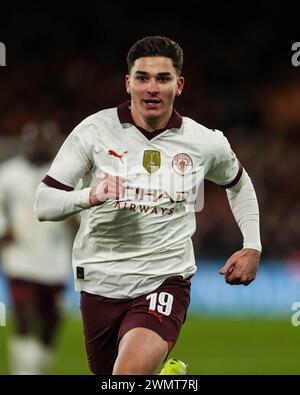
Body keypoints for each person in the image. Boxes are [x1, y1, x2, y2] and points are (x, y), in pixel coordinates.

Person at [34, 36, 262, 375]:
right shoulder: (94, 133)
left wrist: (252, 246)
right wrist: (90, 195)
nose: (152, 88)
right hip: (99, 283)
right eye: (142, 77)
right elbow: (43, 203)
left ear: (179, 84)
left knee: (127, 376)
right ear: (128, 83)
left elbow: (238, 183)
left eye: (163, 78)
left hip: (164, 279)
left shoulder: (203, 142)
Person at [0, 121, 74, 374]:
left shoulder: (67, 177)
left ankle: (38, 363)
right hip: (19, 256)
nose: (40, 146)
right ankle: (23, 369)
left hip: (55, 260)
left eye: (45, 142)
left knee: (51, 319)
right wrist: (3, 230)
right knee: (22, 310)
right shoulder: (9, 173)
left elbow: (79, 213)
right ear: (27, 143)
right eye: (36, 142)